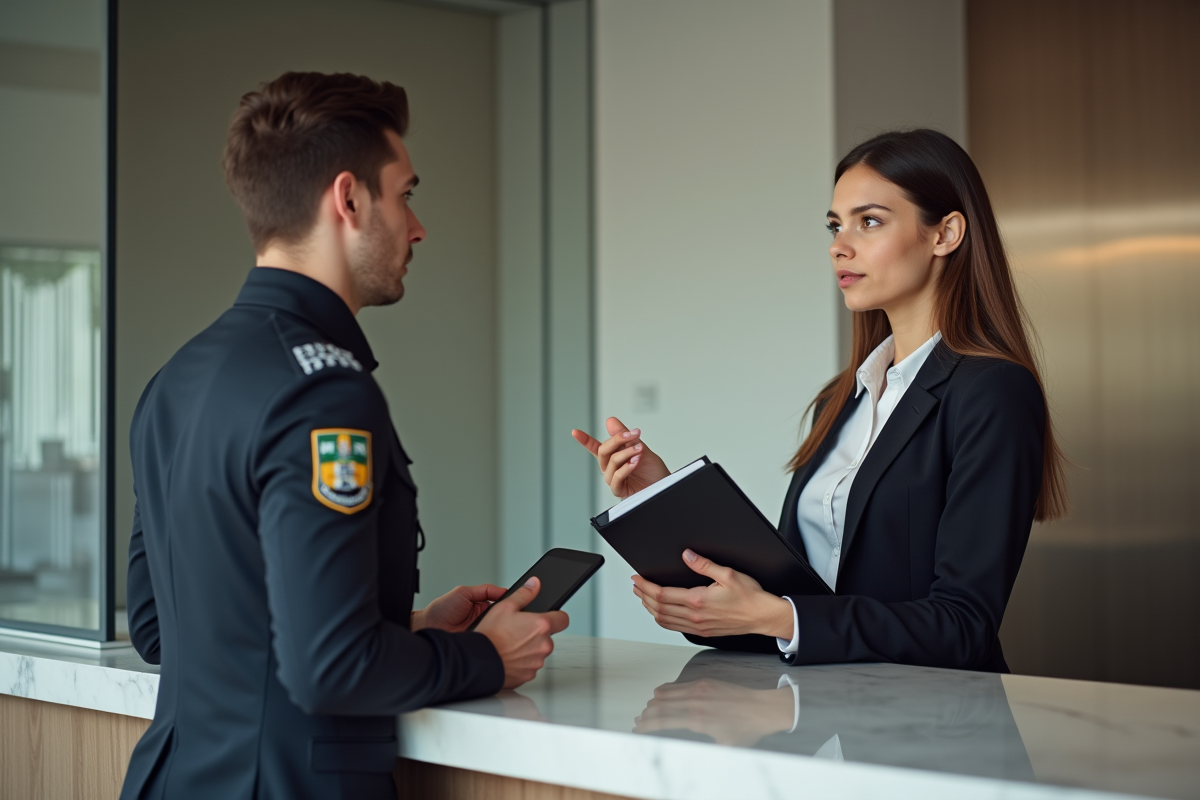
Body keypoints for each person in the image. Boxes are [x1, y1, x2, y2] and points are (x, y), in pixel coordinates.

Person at [121, 72, 567, 800]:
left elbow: (163, 628)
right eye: (407, 193)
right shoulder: (324, 391)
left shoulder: (176, 377)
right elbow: (330, 669)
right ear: (349, 199)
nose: (418, 226)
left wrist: (406, 626)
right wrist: (481, 657)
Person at [573, 129, 1067, 672]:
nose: (839, 245)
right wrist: (662, 501)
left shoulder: (992, 390)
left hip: (933, 731)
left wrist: (780, 619)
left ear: (945, 233)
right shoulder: (844, 398)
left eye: (869, 221)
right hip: (822, 719)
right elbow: (792, 598)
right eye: (835, 225)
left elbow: (963, 626)